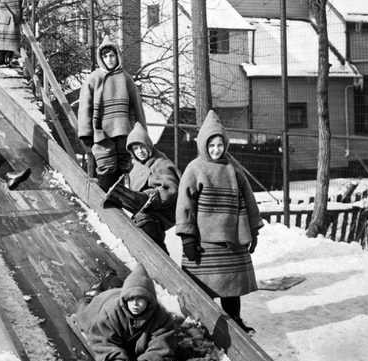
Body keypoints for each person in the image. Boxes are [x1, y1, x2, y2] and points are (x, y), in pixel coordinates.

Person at [175, 110, 263, 335]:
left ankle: (234, 321)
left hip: (232, 240)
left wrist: (253, 230)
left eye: (219, 145)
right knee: (204, 287)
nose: (216, 150)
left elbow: (249, 199)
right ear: (203, 145)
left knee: (231, 287)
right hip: (205, 243)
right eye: (211, 145)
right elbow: (186, 205)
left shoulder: (233, 168)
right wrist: (187, 237)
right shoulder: (195, 169)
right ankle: (203, 325)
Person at [74, 264, 177, 361]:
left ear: (149, 300)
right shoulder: (110, 313)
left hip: (120, 293)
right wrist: (114, 360)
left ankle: (115, 283)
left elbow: (163, 346)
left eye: (140, 298)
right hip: (104, 300)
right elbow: (101, 340)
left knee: (121, 288)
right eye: (131, 298)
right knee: (84, 313)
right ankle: (102, 285)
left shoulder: (161, 318)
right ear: (125, 299)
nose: (135, 303)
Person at [77, 35, 147, 191]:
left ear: (117, 56)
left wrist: (142, 132)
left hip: (123, 131)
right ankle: (104, 199)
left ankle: (120, 202)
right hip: (102, 132)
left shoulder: (126, 78)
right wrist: (85, 133)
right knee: (106, 165)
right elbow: (85, 107)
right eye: (105, 56)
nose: (109, 59)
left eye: (112, 56)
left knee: (123, 165)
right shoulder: (94, 78)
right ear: (101, 58)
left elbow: (137, 108)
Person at [125, 122, 181, 254]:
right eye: (136, 149)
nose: (140, 152)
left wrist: (147, 196)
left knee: (145, 222)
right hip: (144, 207)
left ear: (148, 146)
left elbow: (170, 190)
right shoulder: (135, 165)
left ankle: (162, 255)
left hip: (165, 208)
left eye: (142, 147)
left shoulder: (161, 163)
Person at [0, 0, 21, 66]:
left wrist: (23, 16)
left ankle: (9, 59)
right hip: (4, 17)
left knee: (12, 41)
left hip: (14, 17)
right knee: (3, 40)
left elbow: (24, 5)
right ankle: (1, 58)